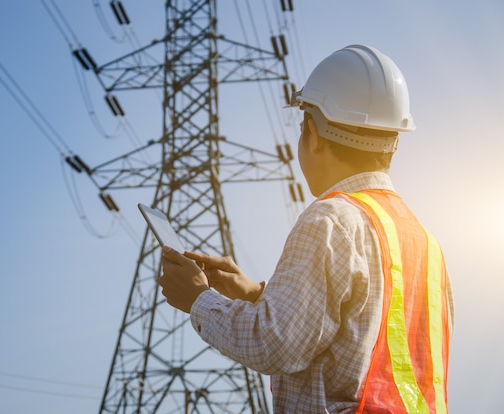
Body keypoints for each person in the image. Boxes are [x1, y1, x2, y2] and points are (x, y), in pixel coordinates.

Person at [159, 44, 454, 413]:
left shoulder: (331, 219)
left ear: (311, 132)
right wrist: (256, 296)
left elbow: (275, 345)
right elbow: (358, 333)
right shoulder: (424, 243)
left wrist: (198, 300)